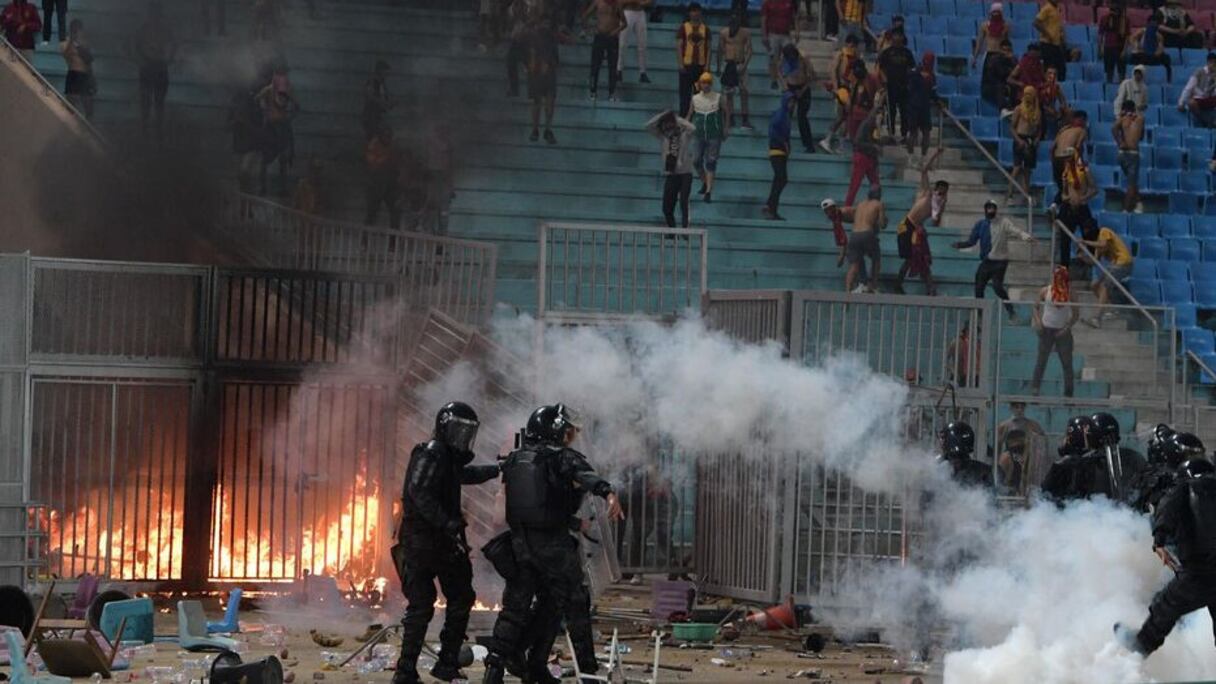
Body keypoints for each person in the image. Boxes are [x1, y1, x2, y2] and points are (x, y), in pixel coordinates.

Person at [482, 404, 624, 684]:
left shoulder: (515, 459)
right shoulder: (561, 457)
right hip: (553, 548)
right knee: (574, 604)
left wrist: (574, 524)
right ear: (557, 430)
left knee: (520, 608)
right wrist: (608, 493)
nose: (572, 437)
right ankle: (588, 673)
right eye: (569, 431)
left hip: (520, 545)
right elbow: (585, 477)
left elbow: (537, 504)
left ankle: (499, 667)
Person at [393, 402, 501, 684]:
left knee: (459, 598)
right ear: (444, 426)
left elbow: (464, 475)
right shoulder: (431, 452)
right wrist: (447, 522)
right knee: (422, 605)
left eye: (468, 432)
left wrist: (496, 469)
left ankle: (444, 664)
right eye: (459, 430)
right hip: (424, 542)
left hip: (438, 542)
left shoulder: (446, 458)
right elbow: (418, 492)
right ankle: (408, 671)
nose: (463, 437)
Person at [1115, 455, 1216, 658]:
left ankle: (1141, 645)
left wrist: (1159, 541)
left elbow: (1166, 510)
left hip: (1197, 571)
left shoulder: (1183, 488)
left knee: (1165, 606)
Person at [953, 199, 1034, 320]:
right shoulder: (980, 225)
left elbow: (1015, 231)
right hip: (987, 261)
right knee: (979, 286)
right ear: (985, 209)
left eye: (993, 208)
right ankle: (980, 312)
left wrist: (1025, 236)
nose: (990, 210)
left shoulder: (1003, 222)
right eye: (988, 208)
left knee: (997, 287)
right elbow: (972, 241)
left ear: (996, 209)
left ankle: (1011, 311)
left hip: (1000, 262)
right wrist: (959, 245)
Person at [893, 149, 946, 295]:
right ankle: (899, 284)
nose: (940, 195)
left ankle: (930, 287)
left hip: (917, 229)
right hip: (907, 226)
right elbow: (924, 170)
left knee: (923, 258)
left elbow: (935, 223)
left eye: (943, 194)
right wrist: (936, 154)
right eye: (939, 192)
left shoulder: (935, 207)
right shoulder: (926, 193)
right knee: (910, 258)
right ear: (935, 190)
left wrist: (942, 208)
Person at [1129, 427, 1203, 514]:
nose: (1195, 459)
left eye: (1198, 454)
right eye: (1191, 454)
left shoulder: (1201, 475)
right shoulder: (1157, 478)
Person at [1030, 266, 1079, 397]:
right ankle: (1035, 389)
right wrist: (1038, 321)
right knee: (1041, 361)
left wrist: (1066, 328)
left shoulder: (1071, 293)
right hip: (1046, 328)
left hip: (1062, 330)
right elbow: (1035, 307)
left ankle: (1069, 392)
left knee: (1067, 363)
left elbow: (1075, 315)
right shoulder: (1046, 291)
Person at [131, 1, 176, 138]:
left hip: (159, 66)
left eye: (157, 12)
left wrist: (169, 58)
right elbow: (135, 45)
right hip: (148, 66)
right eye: (153, 12)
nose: (155, 15)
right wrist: (141, 59)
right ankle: (146, 128)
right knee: (146, 100)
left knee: (159, 101)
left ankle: (157, 129)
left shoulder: (164, 29)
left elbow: (174, 44)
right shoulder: (143, 28)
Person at [645, 110, 697, 228]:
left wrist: (677, 119)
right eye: (665, 127)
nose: (668, 129)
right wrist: (660, 116)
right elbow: (647, 126)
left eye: (669, 126)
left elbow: (693, 128)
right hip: (671, 173)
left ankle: (685, 228)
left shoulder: (684, 134)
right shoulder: (663, 136)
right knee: (667, 207)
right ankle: (672, 230)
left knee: (684, 201)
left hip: (685, 173)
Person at [1079, 217, 1133, 327]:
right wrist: (1083, 257)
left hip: (1123, 262)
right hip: (1114, 265)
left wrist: (1085, 242)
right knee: (1095, 285)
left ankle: (1097, 318)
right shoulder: (1097, 247)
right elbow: (1094, 262)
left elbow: (1103, 244)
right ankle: (1110, 309)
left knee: (1104, 286)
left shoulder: (1104, 231)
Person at [830, 189, 885, 293]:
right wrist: (884, 220)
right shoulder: (879, 204)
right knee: (876, 258)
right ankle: (873, 286)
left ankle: (848, 292)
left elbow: (852, 215)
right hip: (868, 233)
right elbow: (882, 224)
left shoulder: (860, 204)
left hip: (854, 235)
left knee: (854, 265)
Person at [528, 16, 571, 145]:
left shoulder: (552, 36)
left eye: (548, 23)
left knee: (550, 103)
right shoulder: (533, 36)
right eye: (544, 23)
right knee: (537, 103)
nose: (545, 26)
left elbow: (568, 41)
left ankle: (547, 130)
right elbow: (531, 56)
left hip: (550, 72)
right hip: (536, 74)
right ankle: (535, 129)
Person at [688, 71, 729, 202]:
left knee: (711, 161)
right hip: (698, 133)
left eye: (708, 83)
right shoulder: (695, 98)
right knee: (696, 160)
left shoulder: (718, 97)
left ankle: (708, 190)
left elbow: (726, 112)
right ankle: (704, 181)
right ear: (700, 84)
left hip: (714, 133)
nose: (706, 85)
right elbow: (690, 114)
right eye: (704, 83)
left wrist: (726, 128)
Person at [256, 66, 298, 195]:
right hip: (270, 126)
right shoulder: (268, 90)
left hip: (282, 126)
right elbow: (258, 99)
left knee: (283, 158)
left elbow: (297, 105)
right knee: (265, 158)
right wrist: (264, 109)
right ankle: (263, 187)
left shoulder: (288, 88)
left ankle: (283, 188)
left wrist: (289, 118)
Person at [820, 34, 862, 154]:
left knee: (846, 118)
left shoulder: (857, 57)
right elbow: (833, 70)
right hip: (842, 88)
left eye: (855, 46)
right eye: (852, 45)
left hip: (851, 88)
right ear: (848, 43)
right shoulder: (841, 55)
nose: (853, 47)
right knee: (841, 116)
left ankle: (840, 144)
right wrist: (835, 87)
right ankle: (827, 140)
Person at [844, 89, 883, 206]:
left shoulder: (873, 125)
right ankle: (847, 206)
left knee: (876, 184)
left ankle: (875, 206)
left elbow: (874, 141)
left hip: (870, 157)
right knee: (855, 185)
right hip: (861, 157)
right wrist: (874, 146)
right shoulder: (867, 124)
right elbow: (857, 142)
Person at [878, 29, 916, 142]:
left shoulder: (907, 53)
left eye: (899, 35)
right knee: (891, 112)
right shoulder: (887, 52)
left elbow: (911, 68)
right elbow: (880, 68)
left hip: (904, 87)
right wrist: (884, 79)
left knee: (904, 111)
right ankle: (891, 134)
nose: (897, 38)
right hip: (890, 86)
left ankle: (904, 135)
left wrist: (910, 81)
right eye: (895, 35)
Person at [718, 10, 753, 129]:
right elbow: (721, 50)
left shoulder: (745, 33)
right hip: (728, 64)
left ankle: (745, 119)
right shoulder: (723, 33)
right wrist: (719, 67)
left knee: (744, 92)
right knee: (728, 94)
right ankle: (730, 118)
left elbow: (749, 50)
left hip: (740, 63)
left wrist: (745, 65)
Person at [764, 91, 796, 220]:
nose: (792, 104)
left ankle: (772, 208)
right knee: (781, 178)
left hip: (782, 151)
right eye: (790, 101)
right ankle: (770, 204)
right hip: (777, 150)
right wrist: (784, 143)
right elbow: (773, 131)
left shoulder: (787, 115)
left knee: (780, 179)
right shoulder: (780, 115)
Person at [779, 43, 816, 153]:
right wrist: (784, 85)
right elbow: (778, 70)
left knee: (802, 116)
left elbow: (811, 76)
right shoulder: (783, 59)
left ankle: (808, 144)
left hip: (803, 86)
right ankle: (784, 142)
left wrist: (803, 90)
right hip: (790, 86)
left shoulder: (804, 58)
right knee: (786, 116)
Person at [1008, 86, 1041, 206]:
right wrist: (1018, 140)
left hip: (1031, 140)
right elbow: (1012, 127)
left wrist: (1037, 139)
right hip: (1020, 138)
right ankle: (1010, 194)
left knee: (1027, 170)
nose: (1027, 96)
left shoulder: (1037, 112)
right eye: (1026, 94)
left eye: (1030, 94)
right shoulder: (1018, 109)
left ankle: (1026, 195)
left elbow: (1039, 129)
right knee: (1017, 168)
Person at [585, 0, 624, 101]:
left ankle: (612, 93)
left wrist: (616, 31)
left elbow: (624, 23)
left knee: (612, 66)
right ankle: (593, 91)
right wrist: (589, 29)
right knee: (595, 66)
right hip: (600, 36)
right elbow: (584, 16)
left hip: (612, 38)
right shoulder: (598, 2)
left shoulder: (617, 4)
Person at [365, 125, 402, 230]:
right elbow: (373, 164)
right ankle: (364, 242)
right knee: (372, 213)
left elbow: (397, 165)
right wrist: (386, 157)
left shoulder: (393, 147)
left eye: (389, 136)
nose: (388, 138)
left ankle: (393, 244)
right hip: (376, 183)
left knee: (395, 211)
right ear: (381, 136)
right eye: (385, 136)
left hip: (391, 183)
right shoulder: (373, 146)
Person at [936, 422, 994, 490]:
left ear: (953, 440)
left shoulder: (937, 468)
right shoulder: (983, 470)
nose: (941, 443)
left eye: (943, 438)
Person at [676, 3, 710, 117]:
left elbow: (709, 48)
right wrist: (680, 64)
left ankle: (697, 117)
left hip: (700, 67)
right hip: (687, 66)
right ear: (689, 13)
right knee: (684, 95)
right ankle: (683, 118)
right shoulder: (684, 27)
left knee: (700, 95)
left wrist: (707, 66)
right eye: (693, 11)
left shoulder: (705, 29)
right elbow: (679, 46)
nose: (696, 13)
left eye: (697, 11)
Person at [1112, 98, 1144, 212]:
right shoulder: (1140, 119)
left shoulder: (1122, 119)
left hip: (1122, 153)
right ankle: (1126, 210)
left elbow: (1113, 128)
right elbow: (1141, 136)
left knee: (1132, 182)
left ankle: (1138, 202)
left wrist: (1120, 142)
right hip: (1133, 154)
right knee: (1132, 184)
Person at [904, 52, 937, 158]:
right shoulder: (914, 73)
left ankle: (924, 157)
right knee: (913, 132)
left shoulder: (932, 77)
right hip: (914, 107)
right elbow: (909, 88)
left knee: (926, 133)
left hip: (925, 108)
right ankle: (910, 156)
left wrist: (938, 101)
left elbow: (933, 93)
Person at [60, 18, 94, 118]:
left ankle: (88, 126)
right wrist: (72, 41)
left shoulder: (85, 42)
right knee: (71, 104)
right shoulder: (66, 41)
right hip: (73, 73)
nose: (77, 32)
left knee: (88, 104)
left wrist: (92, 77)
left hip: (85, 74)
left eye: (78, 30)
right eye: (74, 30)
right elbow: (66, 54)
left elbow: (89, 60)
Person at [761, 0, 796, 91]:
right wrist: (764, 35)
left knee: (790, 56)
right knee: (773, 58)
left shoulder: (789, 2)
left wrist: (797, 30)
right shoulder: (768, 2)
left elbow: (794, 16)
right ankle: (774, 80)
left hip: (786, 34)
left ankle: (787, 77)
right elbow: (763, 19)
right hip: (773, 33)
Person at [1129, 15, 1172, 83]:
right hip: (1142, 54)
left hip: (1154, 56)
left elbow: (1161, 48)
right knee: (1134, 57)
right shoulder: (1142, 31)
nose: (1153, 25)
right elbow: (1131, 38)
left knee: (1167, 58)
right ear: (1148, 23)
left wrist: (1157, 53)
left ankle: (1169, 80)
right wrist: (1136, 46)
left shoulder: (1159, 36)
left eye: (1155, 24)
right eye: (1152, 23)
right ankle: (1136, 78)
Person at [1178, 52, 1216, 128]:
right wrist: (1181, 102)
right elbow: (1188, 88)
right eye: (1214, 64)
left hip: (1210, 98)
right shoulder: (1199, 72)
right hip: (1199, 98)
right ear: (1209, 62)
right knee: (1191, 103)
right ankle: (1206, 121)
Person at [617, 0, 650, 83]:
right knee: (622, 44)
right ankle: (619, 70)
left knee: (642, 44)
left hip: (640, 12)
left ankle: (643, 72)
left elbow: (650, 1)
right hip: (627, 12)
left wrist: (643, 3)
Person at [1033, 0, 1066, 81]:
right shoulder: (1047, 8)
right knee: (1048, 67)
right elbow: (1036, 22)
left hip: (1056, 43)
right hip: (1047, 43)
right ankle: (1047, 89)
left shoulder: (1057, 9)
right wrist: (1048, 34)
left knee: (1061, 67)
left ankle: (1057, 88)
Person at [972, 3, 1010, 73]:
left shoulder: (1006, 25)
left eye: (997, 12)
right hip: (989, 54)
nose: (995, 14)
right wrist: (975, 58)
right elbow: (979, 43)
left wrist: (1009, 55)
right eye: (994, 12)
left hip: (1001, 54)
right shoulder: (984, 25)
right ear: (991, 13)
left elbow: (1007, 42)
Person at [1007, 42, 1045, 110]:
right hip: (1024, 92)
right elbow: (1009, 79)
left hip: (1037, 93)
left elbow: (1043, 79)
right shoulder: (1022, 64)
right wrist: (1019, 83)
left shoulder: (1040, 64)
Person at [982, 38, 1017, 112]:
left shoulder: (1013, 59)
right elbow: (1001, 73)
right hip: (991, 85)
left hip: (1005, 84)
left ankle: (1014, 107)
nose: (1006, 52)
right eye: (1004, 50)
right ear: (1000, 50)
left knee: (1016, 85)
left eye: (1008, 50)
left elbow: (1017, 74)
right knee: (1000, 86)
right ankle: (1003, 109)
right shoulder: (994, 60)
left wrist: (1012, 61)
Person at [1098, 2, 1130, 84]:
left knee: (1121, 71)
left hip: (1120, 47)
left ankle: (1122, 87)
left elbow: (1127, 37)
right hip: (1108, 47)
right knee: (1109, 71)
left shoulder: (1125, 20)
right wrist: (1100, 48)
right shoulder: (1105, 18)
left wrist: (1124, 50)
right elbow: (1101, 34)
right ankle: (1109, 86)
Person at [362, 60, 392, 142]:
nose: (387, 74)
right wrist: (381, 102)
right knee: (373, 138)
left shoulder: (382, 84)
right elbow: (369, 95)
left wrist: (389, 104)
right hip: (370, 115)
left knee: (382, 136)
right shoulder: (372, 82)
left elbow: (384, 98)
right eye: (385, 72)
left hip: (378, 116)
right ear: (380, 70)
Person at [1039, 67, 1069, 137]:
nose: (1052, 76)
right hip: (1041, 111)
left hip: (1052, 112)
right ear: (1045, 74)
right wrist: (1047, 109)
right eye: (1050, 73)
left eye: (1054, 74)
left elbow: (1062, 100)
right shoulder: (1040, 86)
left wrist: (1063, 107)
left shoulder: (1056, 87)